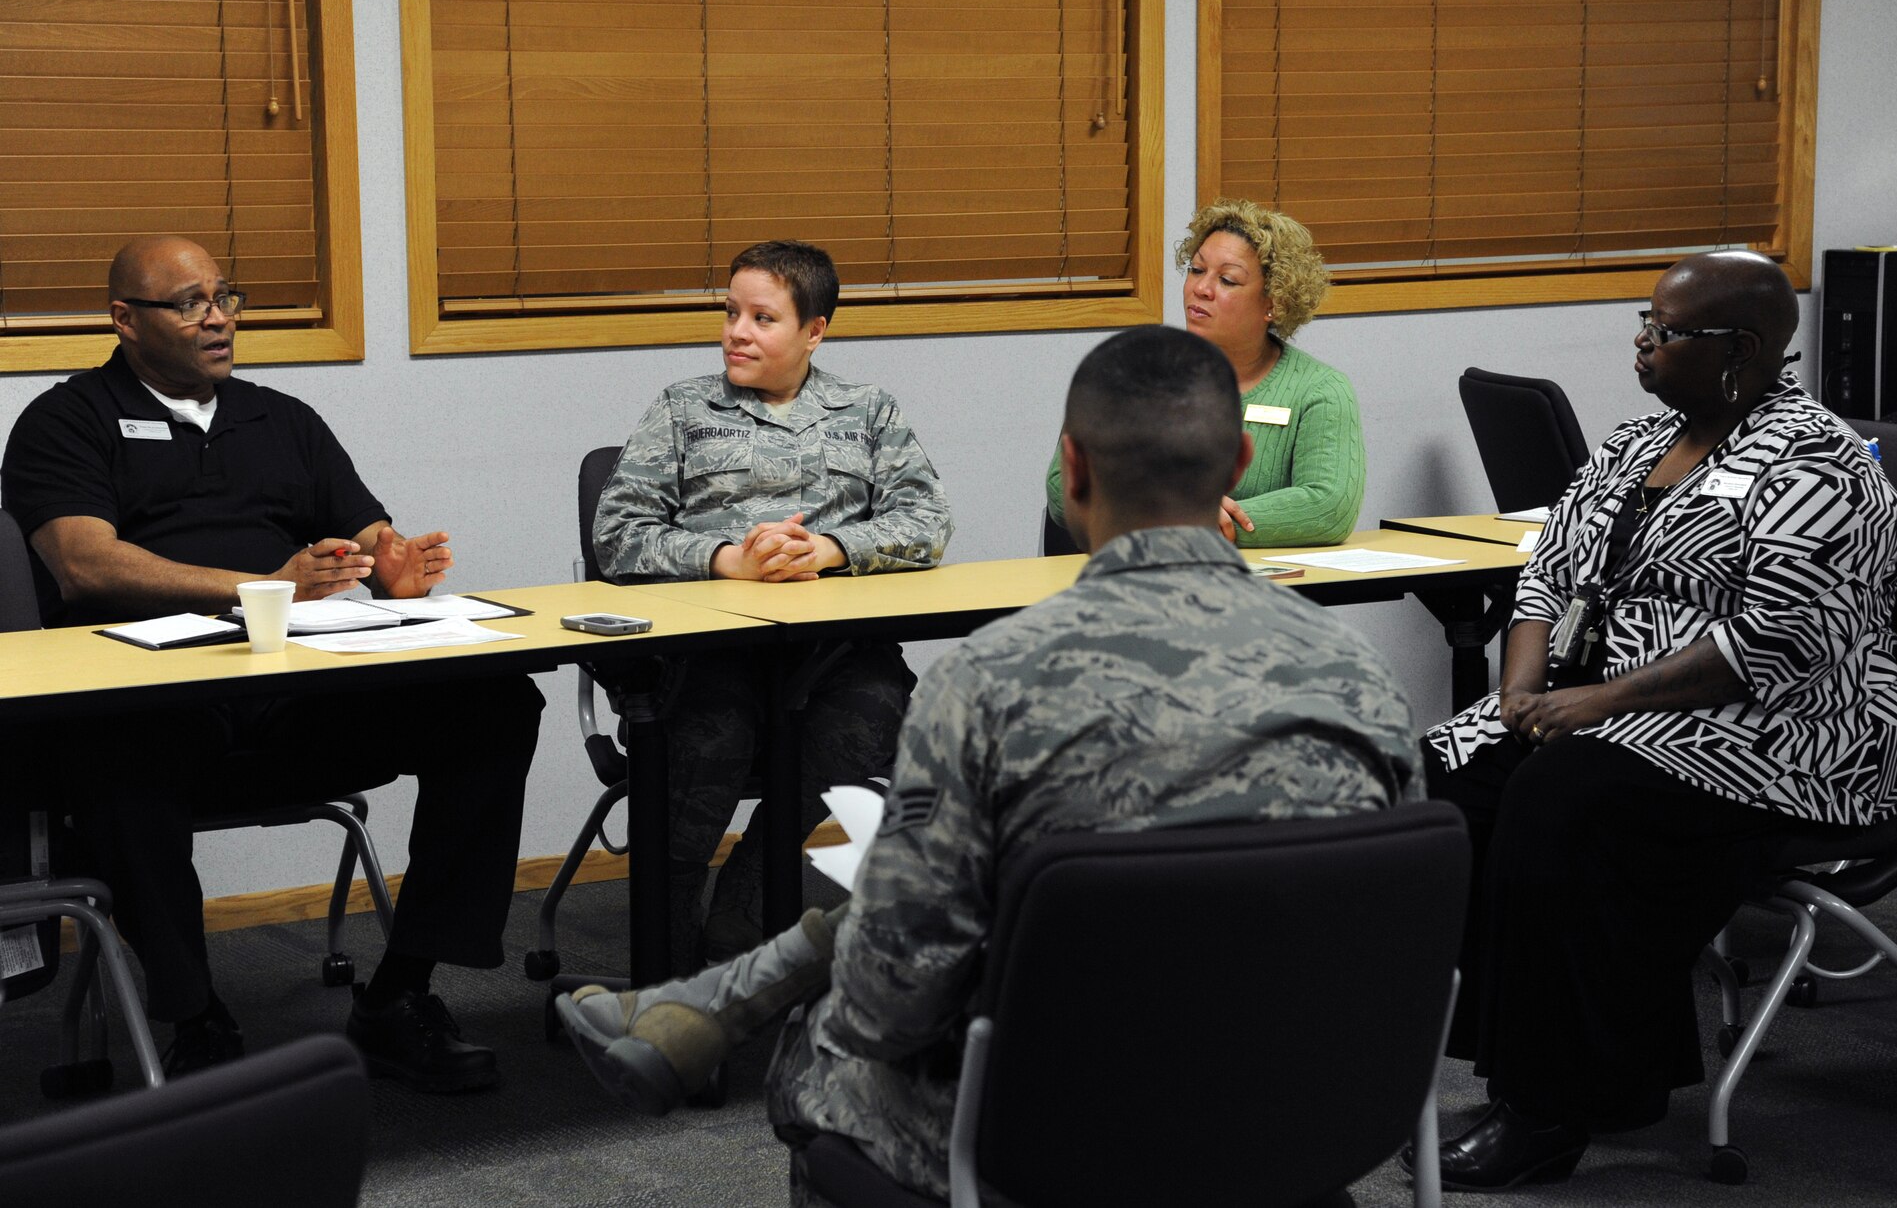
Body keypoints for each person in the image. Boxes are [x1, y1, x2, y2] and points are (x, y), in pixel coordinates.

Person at [559, 324, 1419, 1205]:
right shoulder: (1363, 683)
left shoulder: (990, 682)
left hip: (1060, 1131)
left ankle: (703, 1010)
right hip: (1304, 1119)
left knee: (824, 1048)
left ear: (1072, 474)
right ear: (1239, 464)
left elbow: (893, 999)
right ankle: (700, 1004)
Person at [0, 235, 543, 1089]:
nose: (216, 318)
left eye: (225, 297)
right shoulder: (66, 420)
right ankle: (195, 1016)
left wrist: (392, 567)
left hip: (291, 694)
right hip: (150, 699)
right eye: (188, 303)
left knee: (494, 702)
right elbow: (84, 563)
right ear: (124, 320)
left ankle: (401, 993)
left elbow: (367, 532)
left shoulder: (279, 417)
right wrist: (259, 585)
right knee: (106, 750)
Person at [1419, 250, 1897, 1189]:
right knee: (1451, 776)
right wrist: (1520, 696)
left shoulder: (1820, 467)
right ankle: (1514, 1060)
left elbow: (1775, 641)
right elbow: (1545, 576)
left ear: (1744, 349)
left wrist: (1589, 702)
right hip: (1629, 717)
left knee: (1566, 797)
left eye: (1667, 329)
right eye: (1645, 323)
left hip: (1791, 737)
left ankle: (1554, 1107)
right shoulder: (1635, 445)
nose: (1643, 342)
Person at [593, 240, 952, 966]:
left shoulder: (867, 411)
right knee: (709, 742)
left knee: (875, 716)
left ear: (814, 330)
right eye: (730, 312)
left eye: (762, 317)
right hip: (711, 649)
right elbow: (619, 534)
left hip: (833, 653)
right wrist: (729, 561)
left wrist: (826, 550)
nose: (736, 331)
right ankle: (664, 956)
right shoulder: (683, 410)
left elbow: (927, 522)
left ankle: (743, 904)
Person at [1044, 198, 1365, 547]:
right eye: (1197, 270)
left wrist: (1217, 523)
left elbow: (1329, 506)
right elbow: (1064, 489)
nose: (1201, 289)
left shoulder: (1318, 390)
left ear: (1274, 303)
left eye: (1227, 280)